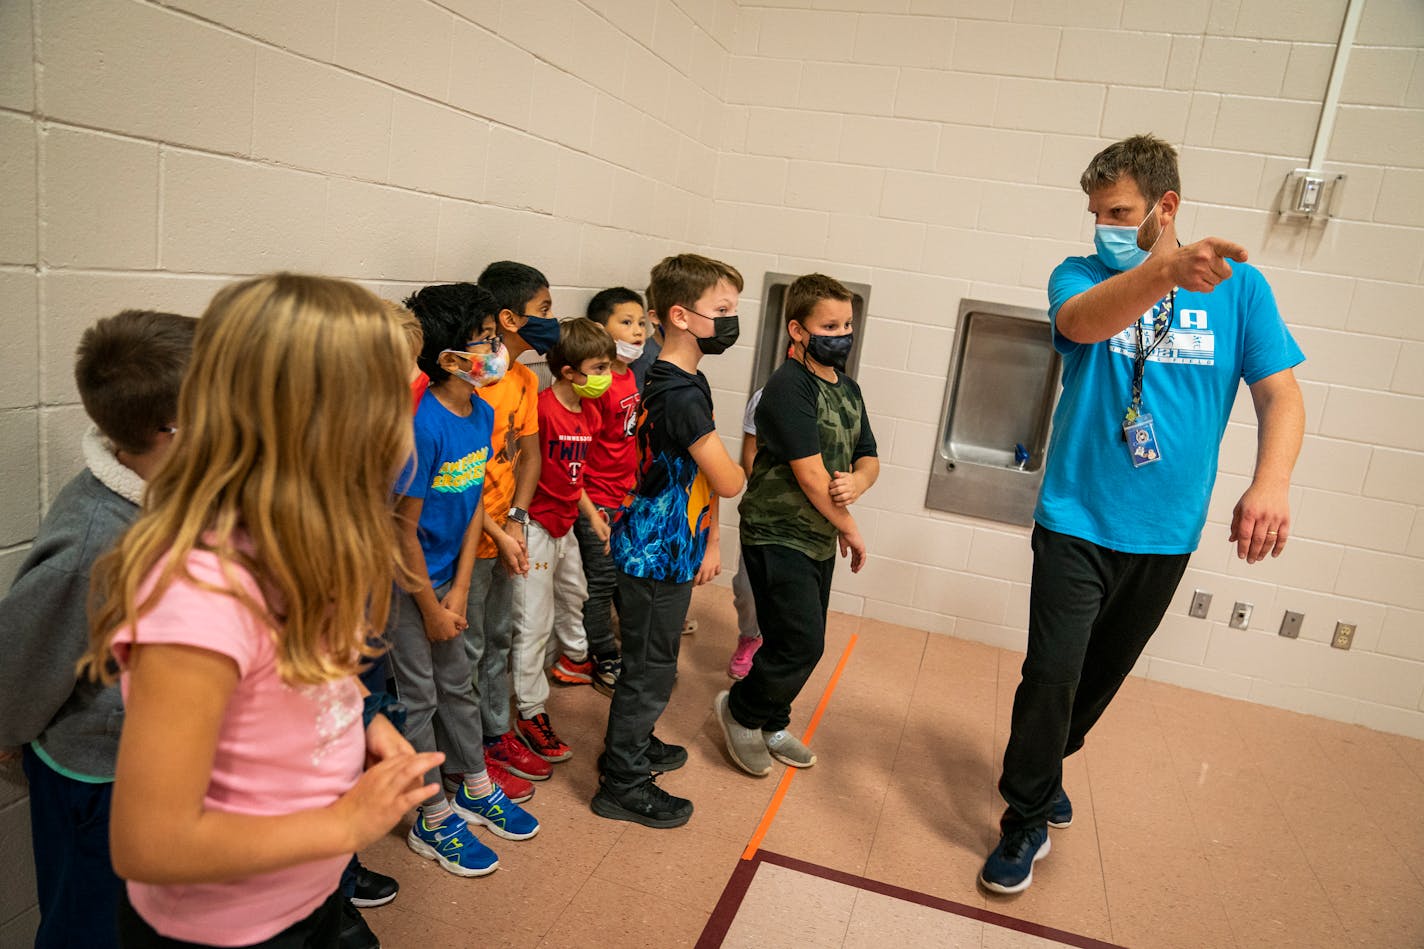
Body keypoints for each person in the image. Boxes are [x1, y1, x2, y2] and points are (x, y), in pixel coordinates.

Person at [979, 134, 1305, 895]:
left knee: (1100, 677)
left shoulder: (1240, 292)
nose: (1104, 226)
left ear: (1168, 206)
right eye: (1096, 212)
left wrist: (1273, 482)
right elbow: (1085, 325)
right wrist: (1160, 271)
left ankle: (1052, 759)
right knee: (1052, 675)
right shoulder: (1080, 275)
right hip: (1075, 517)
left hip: (1166, 531)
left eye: (1120, 211)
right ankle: (1024, 815)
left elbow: (1280, 393)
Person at [77, 274, 445, 946]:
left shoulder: (296, 543)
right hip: (224, 930)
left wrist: (359, 724)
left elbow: (308, 673)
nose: (412, 421)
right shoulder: (199, 599)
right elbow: (150, 843)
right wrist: (345, 825)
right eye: (399, 398)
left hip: (304, 888)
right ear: (328, 428)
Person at [0, 310, 193, 949]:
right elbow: (25, 660)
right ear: (172, 431)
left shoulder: (178, 492)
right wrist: (8, 735)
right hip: (99, 775)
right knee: (90, 927)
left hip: (160, 760)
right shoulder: (93, 542)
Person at [591, 254, 747, 829]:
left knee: (654, 663)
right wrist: (748, 457)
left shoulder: (685, 379)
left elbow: (701, 479)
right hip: (653, 553)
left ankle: (633, 745)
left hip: (675, 543)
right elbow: (729, 478)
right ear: (681, 316)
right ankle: (622, 781)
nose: (731, 321)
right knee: (650, 669)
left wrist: (710, 542)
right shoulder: (677, 393)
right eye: (722, 311)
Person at [392, 282, 539, 880]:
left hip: (450, 580)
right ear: (450, 358)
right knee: (418, 696)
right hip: (405, 587)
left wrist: (458, 589)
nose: (497, 347)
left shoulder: (480, 411)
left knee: (459, 683)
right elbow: (402, 530)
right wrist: (430, 603)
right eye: (485, 338)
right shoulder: (419, 426)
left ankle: (473, 785)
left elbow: (474, 497)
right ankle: (429, 811)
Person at [714, 274, 878, 776]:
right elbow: (809, 475)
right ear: (799, 329)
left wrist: (858, 484)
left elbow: (869, 455)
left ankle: (771, 722)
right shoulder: (787, 387)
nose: (841, 333)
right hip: (777, 530)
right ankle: (740, 711)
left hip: (817, 536)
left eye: (847, 323)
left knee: (795, 638)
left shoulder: (847, 389)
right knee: (801, 641)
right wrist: (850, 526)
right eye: (829, 325)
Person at [510, 319, 616, 760]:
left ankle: (571, 659)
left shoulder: (589, 412)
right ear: (569, 372)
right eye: (598, 367)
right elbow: (522, 467)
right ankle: (530, 710)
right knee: (532, 622)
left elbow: (577, 476)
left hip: (567, 522)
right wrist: (513, 525)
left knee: (577, 594)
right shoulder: (542, 409)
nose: (605, 375)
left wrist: (592, 515)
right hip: (535, 526)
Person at [469, 260, 557, 787]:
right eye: (543, 310)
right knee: (472, 645)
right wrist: (495, 528)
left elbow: (529, 455)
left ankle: (495, 731)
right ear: (509, 318)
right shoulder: (476, 381)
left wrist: (518, 520)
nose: (553, 321)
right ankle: (470, 749)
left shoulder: (525, 378)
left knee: (501, 635)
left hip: (506, 529)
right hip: (469, 537)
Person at [572, 287, 646, 696]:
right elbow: (583, 450)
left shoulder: (628, 374)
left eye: (640, 323)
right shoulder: (598, 386)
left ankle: (620, 648)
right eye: (626, 322)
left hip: (623, 494)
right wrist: (591, 506)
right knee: (598, 583)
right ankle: (603, 657)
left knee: (618, 578)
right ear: (601, 329)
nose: (637, 332)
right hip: (596, 499)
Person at [726, 385, 765, 680]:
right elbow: (749, 451)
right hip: (764, 506)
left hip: (808, 511)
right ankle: (750, 635)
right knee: (747, 585)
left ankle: (773, 645)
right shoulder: (766, 396)